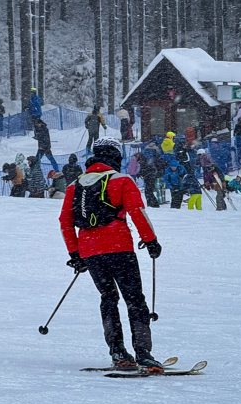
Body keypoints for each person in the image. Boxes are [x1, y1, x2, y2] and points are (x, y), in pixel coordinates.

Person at [58, 137, 163, 370]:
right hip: (119, 249)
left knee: (108, 297)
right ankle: (143, 352)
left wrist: (75, 254)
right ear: (116, 157)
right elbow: (138, 213)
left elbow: (65, 221)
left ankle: (117, 352)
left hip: (90, 252)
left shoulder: (75, 185)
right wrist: (151, 241)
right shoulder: (121, 180)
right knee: (134, 298)